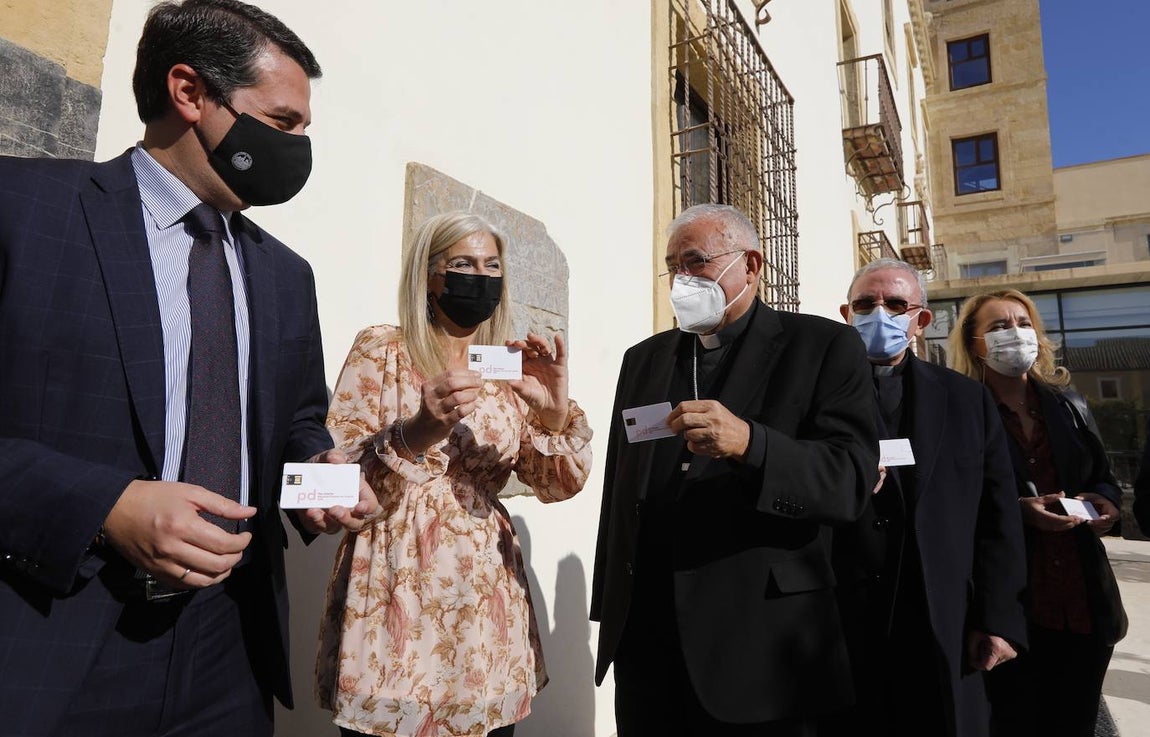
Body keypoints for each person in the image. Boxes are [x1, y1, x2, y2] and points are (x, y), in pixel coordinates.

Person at [0, 2, 381, 735]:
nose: (299, 148)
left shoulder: (285, 276)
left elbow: (296, 422)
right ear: (190, 92)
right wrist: (105, 506)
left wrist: (321, 473)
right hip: (50, 642)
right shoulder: (25, 209)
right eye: (283, 122)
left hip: (228, 653)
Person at [590, 203, 878, 736]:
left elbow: (849, 480)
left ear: (751, 264)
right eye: (673, 265)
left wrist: (752, 444)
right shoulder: (644, 359)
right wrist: (610, 603)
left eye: (697, 261)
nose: (682, 278)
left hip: (762, 645)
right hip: (650, 644)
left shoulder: (821, 346)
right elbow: (619, 484)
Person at [315, 211, 593, 737]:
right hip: (398, 580)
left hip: (485, 592)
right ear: (428, 274)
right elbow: (333, 482)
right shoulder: (384, 348)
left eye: (492, 265)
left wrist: (554, 412)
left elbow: (559, 485)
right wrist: (416, 432)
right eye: (463, 263)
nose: (480, 276)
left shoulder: (505, 363)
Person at [826, 259, 1027, 737]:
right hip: (839, 621)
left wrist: (999, 617)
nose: (880, 314)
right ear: (845, 314)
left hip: (942, 619)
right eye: (865, 305)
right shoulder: (816, 394)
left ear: (921, 320)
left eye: (896, 304)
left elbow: (997, 515)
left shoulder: (966, 400)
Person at [950, 289, 1126, 737]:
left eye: (1023, 323)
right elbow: (946, 502)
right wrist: (1016, 512)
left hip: (1084, 605)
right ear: (975, 345)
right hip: (1011, 609)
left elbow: (1101, 476)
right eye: (998, 326)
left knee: (1077, 723)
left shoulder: (1069, 404)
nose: (1016, 334)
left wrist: (1105, 502)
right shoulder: (958, 411)